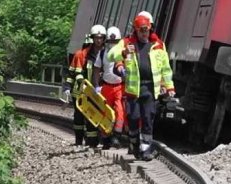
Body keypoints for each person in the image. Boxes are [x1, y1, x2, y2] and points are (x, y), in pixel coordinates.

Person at [108, 14, 175, 161]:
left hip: (150, 89)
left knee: (148, 118)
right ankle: (134, 143)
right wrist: (123, 52)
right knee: (133, 118)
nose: (144, 33)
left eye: (146, 29)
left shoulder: (158, 45)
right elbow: (110, 55)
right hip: (133, 90)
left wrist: (169, 87)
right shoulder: (127, 42)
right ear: (136, 30)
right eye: (141, 30)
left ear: (150, 29)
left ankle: (146, 150)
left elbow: (166, 68)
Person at [62, 24, 107, 147]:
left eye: (101, 38)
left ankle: (91, 143)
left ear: (104, 39)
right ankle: (78, 141)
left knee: (93, 116)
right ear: (92, 38)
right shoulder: (82, 55)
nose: (98, 40)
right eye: (96, 38)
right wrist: (66, 88)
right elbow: (73, 73)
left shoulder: (106, 55)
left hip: (96, 91)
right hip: (80, 91)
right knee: (79, 117)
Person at [93, 26, 126, 149]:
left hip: (119, 87)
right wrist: (97, 86)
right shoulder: (102, 53)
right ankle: (105, 137)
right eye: (111, 42)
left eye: (115, 42)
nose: (113, 44)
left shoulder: (123, 54)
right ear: (107, 41)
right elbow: (96, 69)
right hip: (106, 87)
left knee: (120, 111)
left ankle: (117, 135)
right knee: (104, 112)